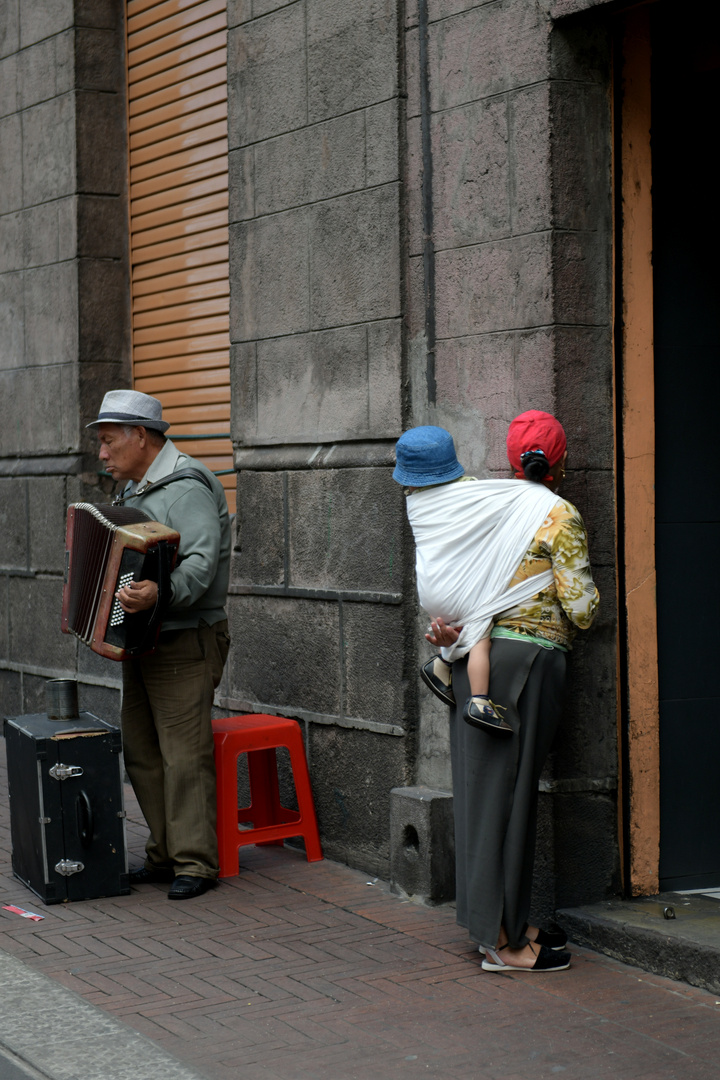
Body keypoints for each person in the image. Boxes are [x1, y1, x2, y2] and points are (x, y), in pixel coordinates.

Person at [398, 412, 599, 972]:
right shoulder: (558, 514)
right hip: (529, 664)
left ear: (510, 460)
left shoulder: (485, 506)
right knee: (510, 804)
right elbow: (581, 611)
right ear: (560, 463)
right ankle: (504, 945)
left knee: (483, 799)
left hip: (472, 664)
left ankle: (498, 924)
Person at [87, 390, 231, 900]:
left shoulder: (186, 487)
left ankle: (196, 863)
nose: (101, 454)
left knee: (183, 753)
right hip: (144, 639)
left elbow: (199, 565)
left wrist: (159, 592)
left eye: (107, 442)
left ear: (140, 437)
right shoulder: (134, 490)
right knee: (144, 751)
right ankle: (165, 853)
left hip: (185, 639)